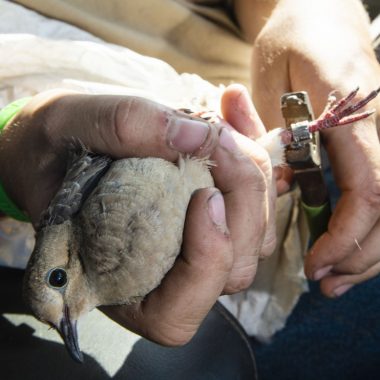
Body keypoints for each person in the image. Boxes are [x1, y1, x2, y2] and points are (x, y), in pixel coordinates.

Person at [1, 0, 380, 377]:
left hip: (263, 88)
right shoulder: (108, 270)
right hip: (273, 206)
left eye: (58, 280)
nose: (69, 319)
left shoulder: (92, 218)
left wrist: (316, 13)